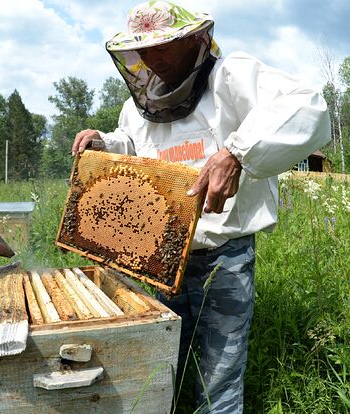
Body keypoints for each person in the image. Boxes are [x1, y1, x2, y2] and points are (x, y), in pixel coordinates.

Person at [72, 2, 331, 413]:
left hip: (223, 259)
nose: (151, 60)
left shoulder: (232, 75)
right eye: (144, 51)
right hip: (159, 258)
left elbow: (308, 106)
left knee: (218, 379)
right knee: (159, 371)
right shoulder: (138, 105)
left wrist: (237, 153)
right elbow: (133, 145)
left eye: (163, 48)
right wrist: (105, 144)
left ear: (196, 41)